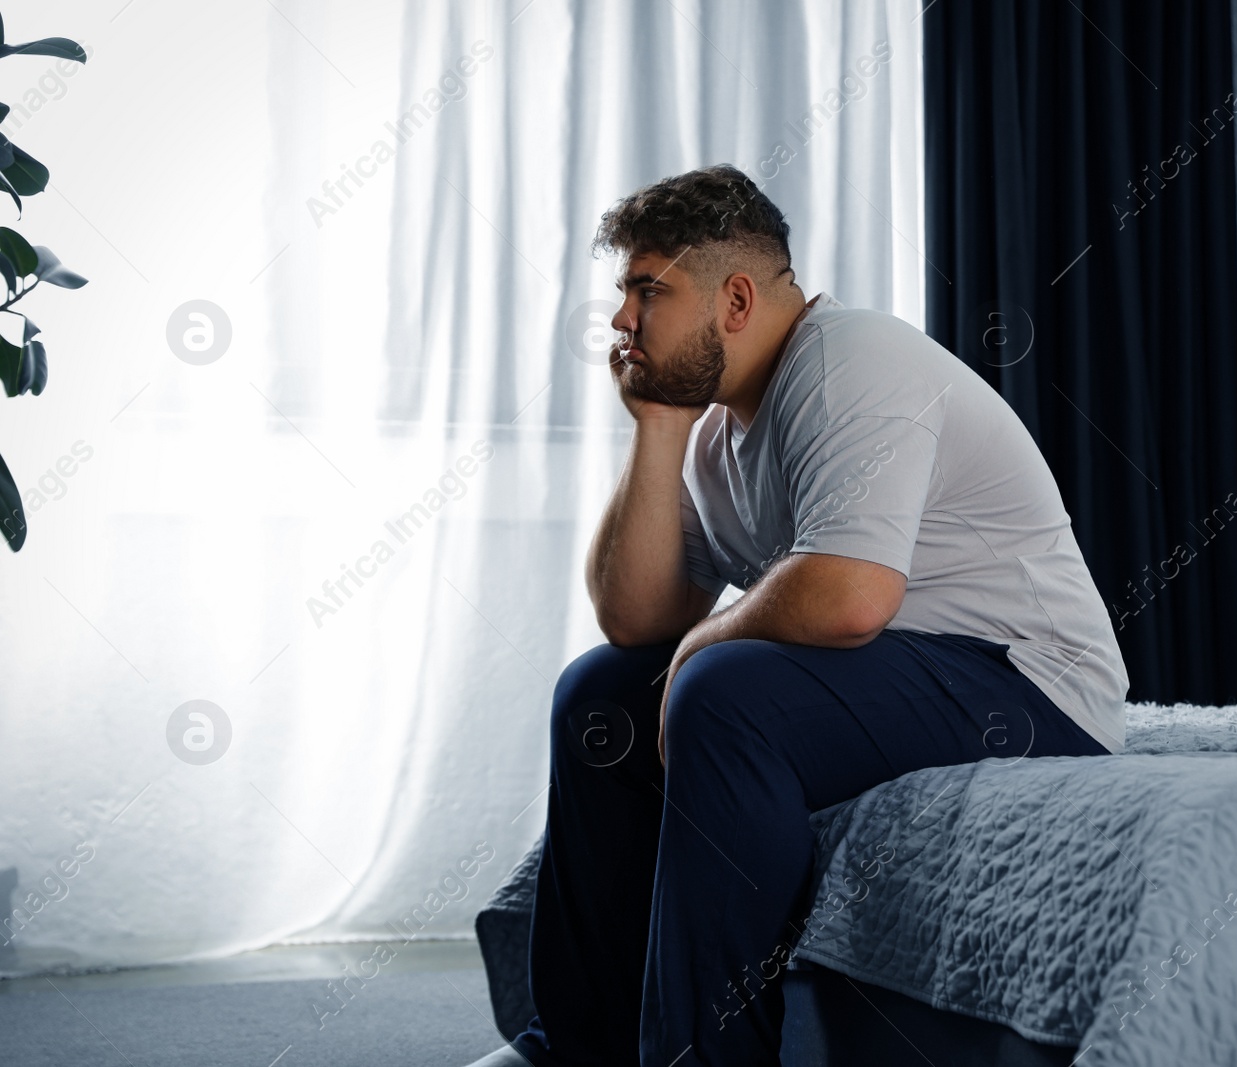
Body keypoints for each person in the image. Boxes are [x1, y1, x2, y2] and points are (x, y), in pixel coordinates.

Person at [464, 164, 1128, 1067]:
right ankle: (578, 1047)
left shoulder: (851, 362)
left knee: (724, 690)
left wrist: (704, 644)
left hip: (1030, 686)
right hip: (901, 671)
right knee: (601, 694)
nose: (620, 319)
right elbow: (633, 617)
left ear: (735, 298)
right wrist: (657, 428)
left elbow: (853, 596)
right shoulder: (713, 433)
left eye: (645, 290)